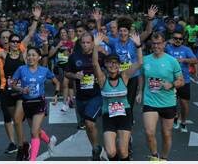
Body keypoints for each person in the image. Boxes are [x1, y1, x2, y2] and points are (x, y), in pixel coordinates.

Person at [0, 6, 41, 160]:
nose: (14, 43)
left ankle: (21, 148)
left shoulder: (22, 50)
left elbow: (31, 33)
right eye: (11, 41)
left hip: (21, 91)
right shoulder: (2, 53)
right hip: (7, 91)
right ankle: (24, 144)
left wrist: (36, 18)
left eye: (16, 41)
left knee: (19, 118)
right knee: (16, 121)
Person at [92, 32, 142, 161]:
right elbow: (95, 64)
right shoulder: (103, 79)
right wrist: (96, 46)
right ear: (106, 65)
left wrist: (138, 46)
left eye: (115, 63)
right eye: (109, 63)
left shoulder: (124, 76)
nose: (113, 65)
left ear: (119, 65)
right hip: (108, 117)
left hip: (124, 116)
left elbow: (140, 63)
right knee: (111, 151)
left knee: (123, 151)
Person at [136, 32, 184, 161]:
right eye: (154, 43)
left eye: (159, 43)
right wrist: (140, 92)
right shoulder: (145, 60)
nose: (156, 46)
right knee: (149, 132)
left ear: (164, 44)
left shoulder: (172, 61)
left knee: (166, 134)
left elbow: (181, 80)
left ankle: (164, 158)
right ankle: (154, 156)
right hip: (150, 101)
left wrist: (172, 84)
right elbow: (141, 76)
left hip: (168, 102)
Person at [12, 47, 60, 161]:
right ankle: (50, 141)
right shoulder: (21, 69)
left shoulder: (44, 70)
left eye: (33, 55)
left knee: (33, 132)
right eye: (29, 55)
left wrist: (56, 94)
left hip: (39, 102)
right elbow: (13, 85)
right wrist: (21, 90)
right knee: (36, 130)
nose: (30, 57)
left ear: (39, 57)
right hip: (27, 104)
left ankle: (32, 160)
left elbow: (56, 82)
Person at [65, 32, 105, 160]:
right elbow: (67, 73)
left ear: (93, 43)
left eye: (88, 42)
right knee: (88, 125)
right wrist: (75, 76)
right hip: (81, 97)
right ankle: (96, 147)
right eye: (83, 42)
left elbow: (112, 68)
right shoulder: (74, 57)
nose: (86, 45)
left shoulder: (100, 56)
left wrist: (102, 77)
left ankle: (95, 149)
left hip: (96, 95)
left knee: (89, 122)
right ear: (80, 43)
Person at [165, 31, 198, 132]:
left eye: (180, 39)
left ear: (183, 41)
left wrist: (183, 60)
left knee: (184, 104)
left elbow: (195, 60)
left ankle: (183, 122)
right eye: (175, 38)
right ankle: (175, 117)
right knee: (172, 103)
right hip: (171, 81)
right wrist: (167, 42)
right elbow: (158, 49)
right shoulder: (168, 48)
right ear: (172, 39)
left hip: (184, 81)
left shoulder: (186, 49)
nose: (178, 40)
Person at [49, 27, 75, 112]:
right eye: (61, 33)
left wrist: (70, 53)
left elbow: (73, 55)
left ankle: (70, 101)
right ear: (59, 35)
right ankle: (66, 103)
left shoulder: (71, 43)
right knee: (65, 85)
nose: (63, 35)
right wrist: (57, 46)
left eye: (65, 33)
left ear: (67, 34)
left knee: (69, 85)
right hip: (60, 66)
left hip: (69, 66)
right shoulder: (57, 43)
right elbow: (50, 54)